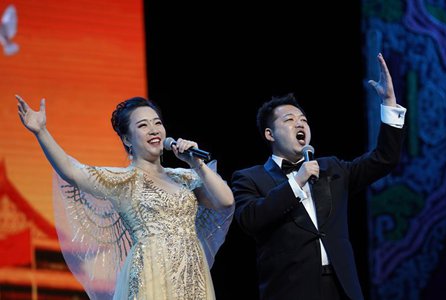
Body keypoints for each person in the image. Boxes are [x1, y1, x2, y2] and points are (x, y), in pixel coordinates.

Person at [16, 95, 235, 300]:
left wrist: (196, 164)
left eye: (157, 123)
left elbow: (225, 201)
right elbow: (71, 171)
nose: (153, 130)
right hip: (151, 271)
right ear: (127, 139)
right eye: (142, 125)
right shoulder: (123, 180)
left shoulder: (185, 177)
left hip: (192, 270)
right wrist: (41, 132)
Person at [230, 53, 406, 300]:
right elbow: (250, 218)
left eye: (303, 120)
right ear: (270, 134)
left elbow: (384, 159)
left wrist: (388, 102)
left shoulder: (331, 168)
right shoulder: (249, 178)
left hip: (341, 287)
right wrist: (297, 181)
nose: (300, 124)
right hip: (290, 290)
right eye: (289, 120)